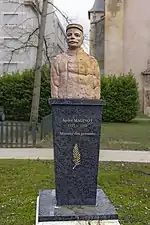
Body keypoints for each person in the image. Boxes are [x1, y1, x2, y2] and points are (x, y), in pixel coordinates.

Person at [51, 23, 100, 99]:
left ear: (82, 39)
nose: (72, 37)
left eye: (77, 35)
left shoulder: (92, 61)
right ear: (66, 38)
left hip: (88, 101)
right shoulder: (57, 60)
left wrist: (96, 96)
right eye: (69, 35)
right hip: (64, 101)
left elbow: (96, 84)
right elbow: (54, 83)